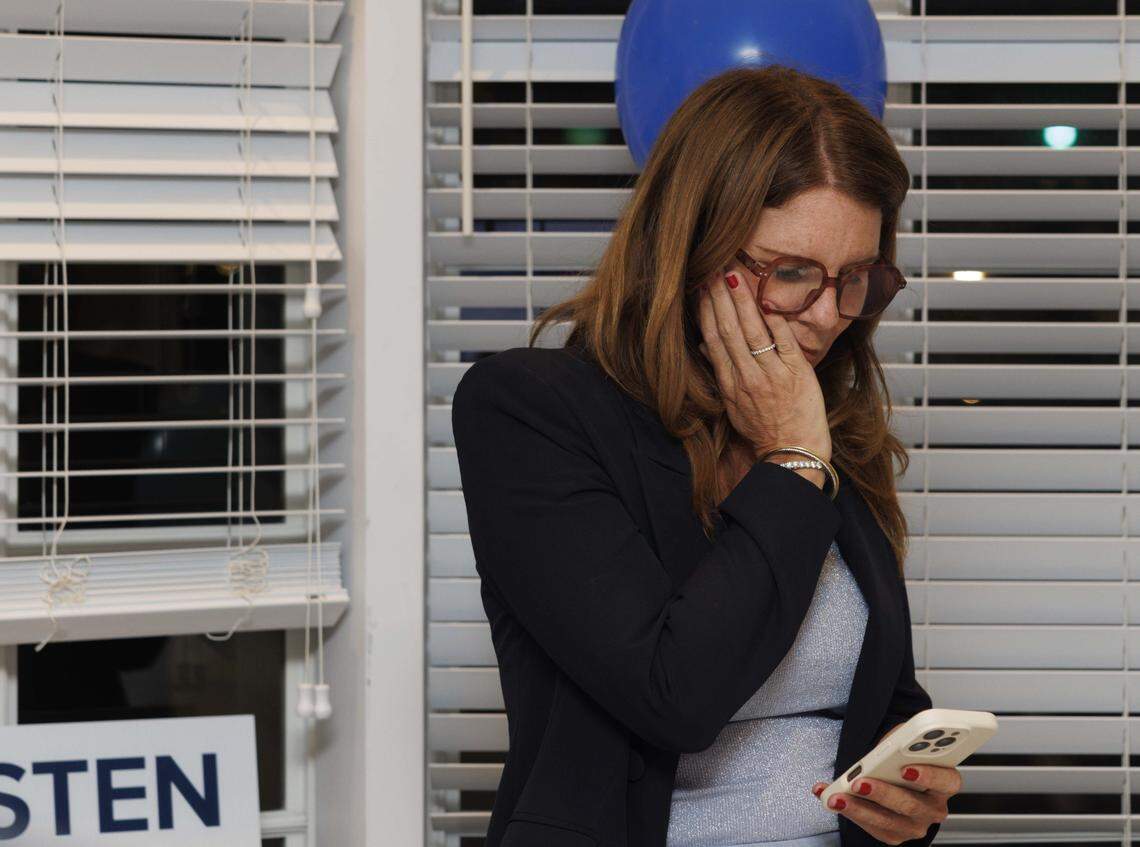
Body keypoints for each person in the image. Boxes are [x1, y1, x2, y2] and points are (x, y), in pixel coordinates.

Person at [452, 64, 960, 847]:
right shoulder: (531, 410)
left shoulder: (830, 421)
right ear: (690, 251)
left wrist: (906, 799)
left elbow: (878, 695)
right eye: (790, 273)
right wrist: (791, 458)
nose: (827, 318)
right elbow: (674, 694)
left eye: (855, 277)